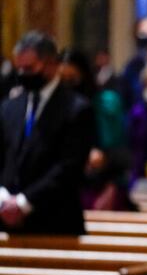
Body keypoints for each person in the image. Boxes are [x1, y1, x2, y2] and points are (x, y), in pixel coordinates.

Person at [0, 31, 93, 234]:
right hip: (6, 220)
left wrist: (24, 202)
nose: (23, 74)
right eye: (19, 68)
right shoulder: (9, 107)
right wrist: (3, 198)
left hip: (55, 223)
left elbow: (69, 167)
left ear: (52, 64)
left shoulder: (77, 109)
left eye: (29, 68)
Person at [60, 48, 130, 210]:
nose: (67, 85)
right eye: (62, 79)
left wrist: (104, 157)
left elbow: (121, 153)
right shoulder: (52, 107)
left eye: (72, 78)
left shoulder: (105, 103)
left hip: (99, 186)